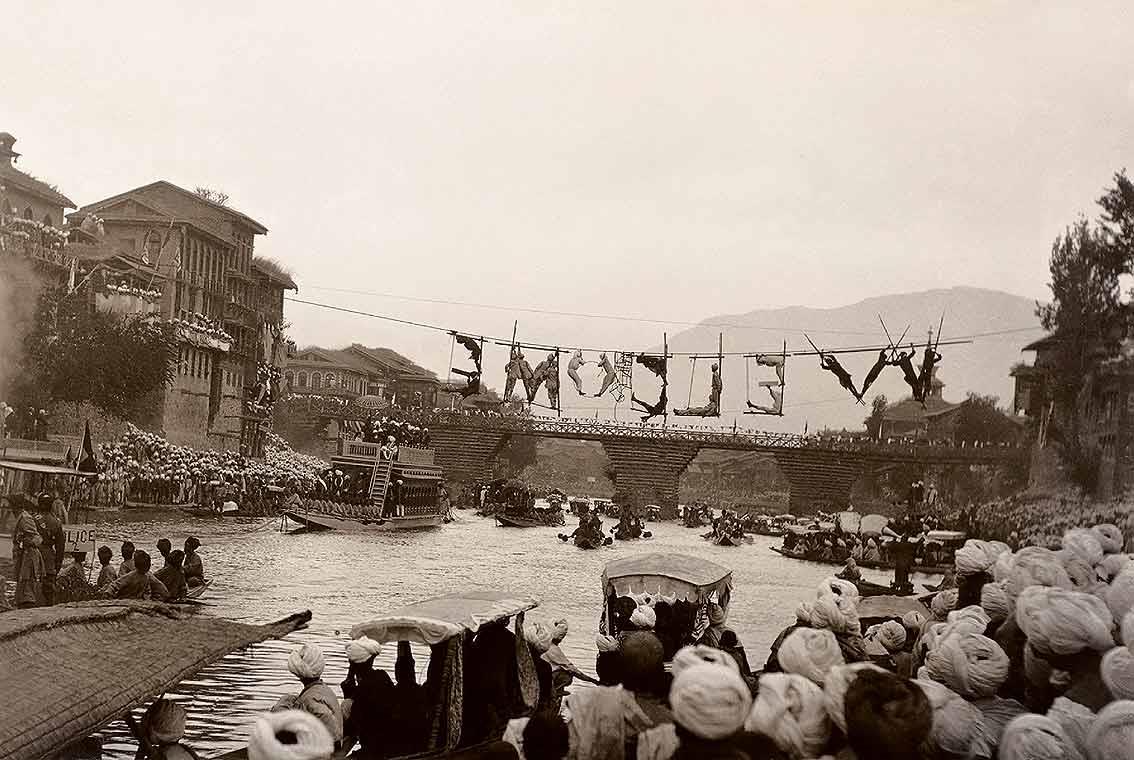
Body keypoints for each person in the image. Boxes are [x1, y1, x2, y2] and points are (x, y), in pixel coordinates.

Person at [275, 643, 344, 748]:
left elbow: (330, 725)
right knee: (288, 700)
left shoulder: (309, 699)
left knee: (280, 709)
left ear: (299, 675)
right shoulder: (324, 688)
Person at [341, 636, 393, 754]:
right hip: (388, 742)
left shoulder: (363, 690)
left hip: (375, 749)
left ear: (353, 665)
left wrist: (348, 697)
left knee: (346, 706)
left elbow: (351, 726)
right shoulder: (383, 676)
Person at [33, 493, 65, 606]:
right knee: (49, 589)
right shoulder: (57, 522)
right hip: (49, 559)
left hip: (33, 556)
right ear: (51, 505)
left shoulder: (32, 519)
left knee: (31, 586)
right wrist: (58, 563)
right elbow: (60, 546)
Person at [103, 550, 169, 600]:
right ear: (138, 566)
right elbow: (115, 584)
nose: (148, 567)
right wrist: (108, 593)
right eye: (146, 566)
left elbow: (147, 590)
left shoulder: (146, 576)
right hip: (124, 599)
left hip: (137, 600)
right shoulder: (131, 576)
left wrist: (147, 599)